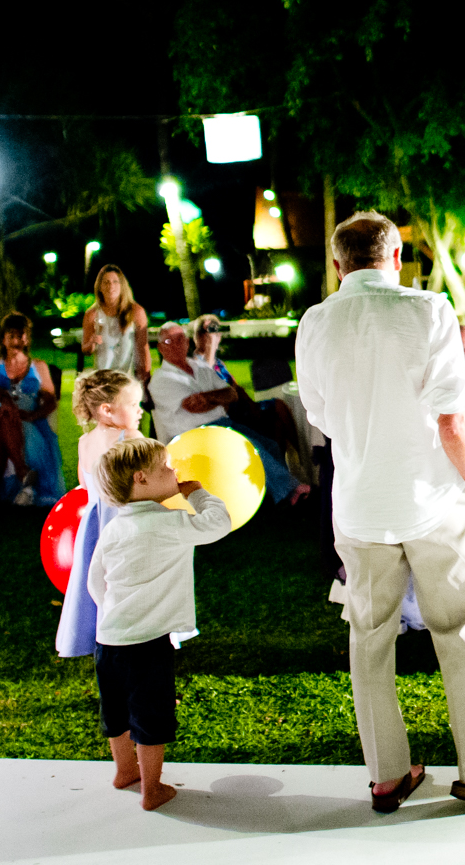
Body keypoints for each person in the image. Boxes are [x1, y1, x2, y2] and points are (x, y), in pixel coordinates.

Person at [297, 210, 465, 812]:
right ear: (397, 258)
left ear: (338, 265)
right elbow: (451, 417)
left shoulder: (315, 321)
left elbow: (319, 414)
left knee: (369, 638)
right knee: (460, 631)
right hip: (431, 500)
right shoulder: (428, 309)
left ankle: (387, 775)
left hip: (359, 504)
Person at [86, 436, 230, 811]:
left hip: (108, 641)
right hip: (148, 644)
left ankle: (124, 772)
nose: (174, 470)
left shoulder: (114, 527)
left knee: (116, 712)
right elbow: (218, 524)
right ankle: (152, 788)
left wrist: (113, 613)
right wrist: (197, 493)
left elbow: (94, 581)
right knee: (150, 715)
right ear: (141, 478)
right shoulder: (169, 522)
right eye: (165, 467)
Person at [147, 320, 307, 506]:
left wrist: (207, 397)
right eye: (169, 341)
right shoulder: (161, 379)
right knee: (250, 447)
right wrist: (217, 397)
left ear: (187, 342)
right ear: (160, 348)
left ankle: (272, 495)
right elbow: (194, 407)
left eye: (180, 339)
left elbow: (231, 393)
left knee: (269, 444)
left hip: (221, 423)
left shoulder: (200, 367)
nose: (176, 344)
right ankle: (291, 491)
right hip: (194, 433)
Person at [56, 368, 143, 659]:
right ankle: (137, 639)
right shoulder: (130, 438)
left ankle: (104, 638)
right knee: (132, 581)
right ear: (107, 410)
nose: (140, 410)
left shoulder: (85, 442)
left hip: (96, 525)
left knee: (100, 583)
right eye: (133, 404)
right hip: (127, 521)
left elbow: (84, 483)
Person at [0, 312, 65, 509]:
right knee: (2, 412)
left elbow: (50, 401)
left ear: (27, 338)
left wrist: (32, 415)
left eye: (21, 335)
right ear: (3, 339)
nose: (17, 340)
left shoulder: (38, 366)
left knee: (5, 429)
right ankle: (22, 472)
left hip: (26, 417)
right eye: (12, 335)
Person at [81, 264, 152, 388]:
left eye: (115, 282)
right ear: (99, 286)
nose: (111, 286)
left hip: (129, 378)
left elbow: (143, 347)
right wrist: (92, 342)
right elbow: (86, 350)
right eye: (106, 282)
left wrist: (145, 374)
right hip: (103, 380)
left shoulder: (136, 311)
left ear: (122, 285)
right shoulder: (92, 314)